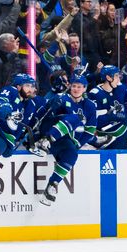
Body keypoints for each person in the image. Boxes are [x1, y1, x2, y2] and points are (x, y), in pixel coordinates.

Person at [30, 75, 97, 205]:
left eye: (79, 87)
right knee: (76, 118)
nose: (76, 89)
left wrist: (77, 143)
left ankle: (51, 186)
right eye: (74, 86)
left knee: (72, 154)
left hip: (61, 139)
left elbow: (90, 131)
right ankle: (45, 141)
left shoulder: (89, 106)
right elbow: (41, 115)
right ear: (70, 87)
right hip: (48, 129)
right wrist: (50, 106)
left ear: (84, 89)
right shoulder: (60, 98)